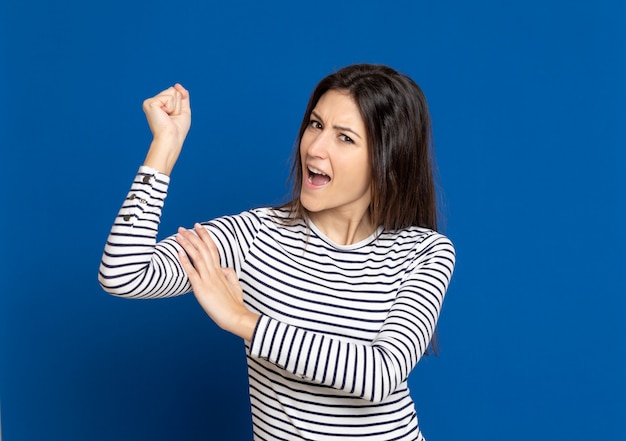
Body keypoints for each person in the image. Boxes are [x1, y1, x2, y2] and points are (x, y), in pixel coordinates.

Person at [98, 63, 456, 441]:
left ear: (388, 157)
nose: (315, 148)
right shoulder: (256, 236)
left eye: (344, 138)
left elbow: (379, 375)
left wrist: (241, 320)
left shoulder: (425, 252)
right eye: (316, 125)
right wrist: (163, 150)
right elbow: (123, 273)